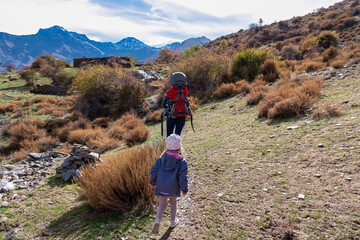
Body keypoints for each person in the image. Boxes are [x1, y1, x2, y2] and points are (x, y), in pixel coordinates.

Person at [150, 134, 188, 234]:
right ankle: (172, 221)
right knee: (173, 202)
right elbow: (182, 177)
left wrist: (153, 182)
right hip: (173, 187)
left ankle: (157, 221)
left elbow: (153, 171)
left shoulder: (161, 158)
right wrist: (184, 189)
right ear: (179, 147)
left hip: (161, 186)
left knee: (161, 204)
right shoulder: (181, 161)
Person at [161, 72, 189, 137]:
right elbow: (187, 101)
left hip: (171, 116)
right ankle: (177, 147)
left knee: (169, 136)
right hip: (182, 115)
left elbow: (163, 104)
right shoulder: (185, 90)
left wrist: (167, 109)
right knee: (178, 136)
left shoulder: (170, 91)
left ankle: (169, 147)